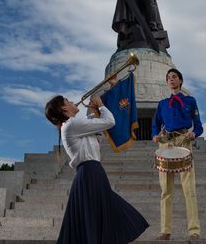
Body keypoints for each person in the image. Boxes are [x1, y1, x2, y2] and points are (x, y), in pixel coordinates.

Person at [45, 95, 149, 244]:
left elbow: (98, 123)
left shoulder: (76, 125)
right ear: (64, 108)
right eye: (67, 101)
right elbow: (109, 121)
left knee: (102, 217)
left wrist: (102, 102)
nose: (72, 101)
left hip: (92, 172)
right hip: (89, 173)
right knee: (97, 219)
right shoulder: (71, 125)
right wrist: (100, 105)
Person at [152, 68, 203, 241]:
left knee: (189, 188)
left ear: (180, 80)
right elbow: (156, 123)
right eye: (168, 78)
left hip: (183, 142)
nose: (171, 80)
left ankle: (194, 230)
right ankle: (165, 231)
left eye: (174, 77)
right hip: (166, 143)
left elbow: (198, 126)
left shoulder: (190, 101)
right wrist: (155, 135)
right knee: (166, 190)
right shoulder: (162, 104)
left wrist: (193, 134)